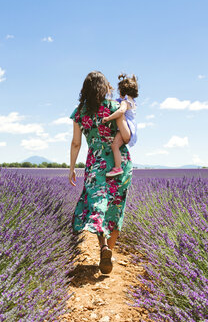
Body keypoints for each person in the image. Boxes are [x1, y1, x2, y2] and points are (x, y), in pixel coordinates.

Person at [69, 71, 133, 274]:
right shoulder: (115, 108)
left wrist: (71, 168)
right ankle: (109, 252)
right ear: (105, 88)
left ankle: (103, 246)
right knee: (115, 206)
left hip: (95, 163)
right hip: (119, 164)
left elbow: (76, 143)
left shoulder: (80, 113)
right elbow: (126, 136)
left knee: (98, 205)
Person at [102, 74, 138, 177]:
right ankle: (118, 166)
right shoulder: (132, 101)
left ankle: (117, 167)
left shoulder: (125, 102)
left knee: (114, 145)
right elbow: (113, 102)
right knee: (116, 146)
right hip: (130, 131)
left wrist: (108, 118)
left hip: (126, 130)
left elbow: (121, 110)